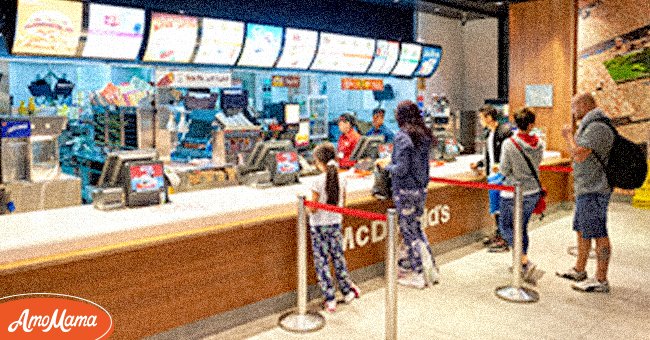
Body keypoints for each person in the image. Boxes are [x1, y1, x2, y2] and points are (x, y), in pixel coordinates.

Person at [376, 100, 438, 289]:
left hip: (405, 190)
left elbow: (402, 169)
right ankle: (430, 270)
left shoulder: (402, 137)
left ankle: (418, 273)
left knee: (408, 232)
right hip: (420, 189)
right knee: (417, 229)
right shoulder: (423, 134)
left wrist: (386, 166)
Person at [557, 93, 614, 293]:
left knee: (598, 232)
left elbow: (579, 154)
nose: (573, 112)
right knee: (582, 230)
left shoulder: (597, 127)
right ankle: (579, 269)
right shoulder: (589, 124)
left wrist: (567, 137)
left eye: (574, 107)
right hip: (585, 188)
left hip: (595, 189)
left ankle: (601, 279)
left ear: (584, 105)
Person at [308, 142, 360, 312]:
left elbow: (313, 208)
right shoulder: (342, 178)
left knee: (322, 262)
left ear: (319, 162)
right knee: (338, 258)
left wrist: (305, 207)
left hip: (319, 228)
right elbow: (342, 204)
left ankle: (330, 298)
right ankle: (346, 291)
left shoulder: (316, 181)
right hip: (335, 224)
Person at [498, 107, 545, 284]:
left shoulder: (509, 144)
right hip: (533, 191)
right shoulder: (539, 143)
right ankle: (521, 263)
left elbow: (504, 169)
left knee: (506, 228)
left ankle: (524, 260)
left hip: (513, 193)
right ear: (532, 124)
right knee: (522, 227)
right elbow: (538, 163)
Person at [470, 105, 513, 252]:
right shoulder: (489, 133)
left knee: (502, 208)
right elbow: (490, 155)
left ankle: (504, 239)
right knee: (495, 208)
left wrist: (502, 168)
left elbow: (507, 154)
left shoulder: (504, 132)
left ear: (489, 117)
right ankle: (499, 233)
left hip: (502, 176)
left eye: (482, 117)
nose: (480, 121)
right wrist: (480, 164)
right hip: (492, 176)